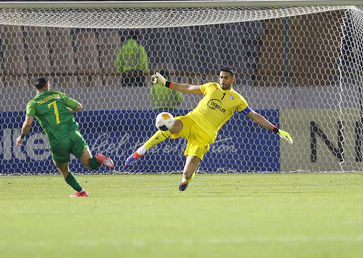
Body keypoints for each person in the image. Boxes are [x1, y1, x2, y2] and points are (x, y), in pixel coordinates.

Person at [125, 68, 293, 191]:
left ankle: (186, 180)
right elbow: (189, 88)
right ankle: (141, 150)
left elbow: (255, 116)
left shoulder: (238, 100)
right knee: (170, 124)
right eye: (221, 77)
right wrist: (166, 83)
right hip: (191, 120)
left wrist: (276, 130)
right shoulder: (211, 87)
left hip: (205, 136)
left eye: (226, 78)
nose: (222, 80)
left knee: (187, 172)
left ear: (233, 80)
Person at [15, 77, 114, 197]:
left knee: (64, 170)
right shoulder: (58, 95)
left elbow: (28, 124)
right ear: (47, 86)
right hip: (74, 135)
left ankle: (81, 192)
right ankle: (99, 159)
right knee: (89, 164)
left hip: (58, 141)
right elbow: (79, 106)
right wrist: (68, 111)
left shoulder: (33, 104)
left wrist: (22, 136)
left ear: (34, 89)